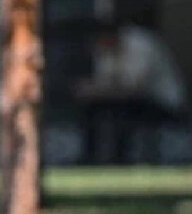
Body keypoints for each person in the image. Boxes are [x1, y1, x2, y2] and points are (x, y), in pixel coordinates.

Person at [75, 19, 188, 164]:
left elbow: (136, 89)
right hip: (128, 101)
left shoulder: (141, 44)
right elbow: (108, 84)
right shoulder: (103, 49)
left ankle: (122, 159)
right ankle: (90, 158)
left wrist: (96, 90)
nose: (99, 47)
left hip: (162, 103)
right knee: (93, 108)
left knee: (123, 110)